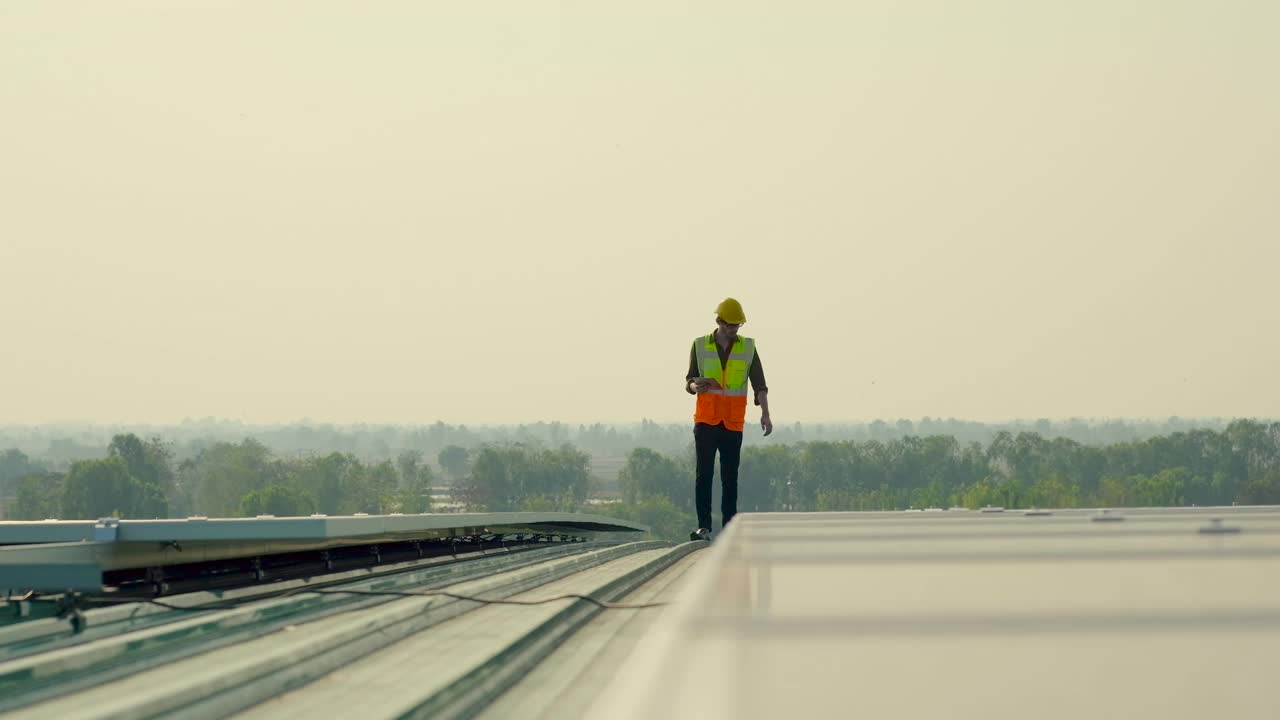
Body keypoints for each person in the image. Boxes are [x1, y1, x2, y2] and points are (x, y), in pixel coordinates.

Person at [685, 297, 772, 541]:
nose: (734, 329)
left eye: (737, 325)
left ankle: (730, 529)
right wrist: (695, 386)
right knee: (704, 475)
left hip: (732, 422)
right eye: (730, 325)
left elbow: (760, 384)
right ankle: (704, 526)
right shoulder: (700, 345)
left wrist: (765, 413)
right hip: (706, 420)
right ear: (719, 322)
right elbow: (689, 380)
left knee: (730, 478)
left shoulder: (747, 347)